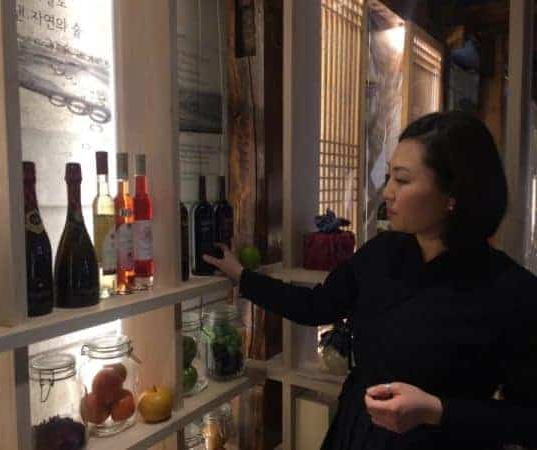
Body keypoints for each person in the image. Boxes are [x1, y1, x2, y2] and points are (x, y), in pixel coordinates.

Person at [203, 111, 537, 450]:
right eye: (389, 176)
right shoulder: (381, 252)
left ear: (453, 193)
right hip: (355, 433)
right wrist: (242, 277)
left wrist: (437, 411)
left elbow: (528, 419)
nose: (387, 192)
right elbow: (317, 305)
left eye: (403, 180)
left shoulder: (510, 291)